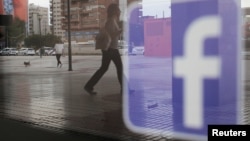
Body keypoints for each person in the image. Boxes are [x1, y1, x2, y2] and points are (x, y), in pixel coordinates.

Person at [84, 3, 123, 95]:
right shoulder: (111, 21)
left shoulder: (112, 20)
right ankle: (124, 88)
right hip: (111, 49)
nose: (120, 11)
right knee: (119, 68)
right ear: (114, 11)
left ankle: (89, 86)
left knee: (104, 68)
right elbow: (110, 36)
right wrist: (120, 31)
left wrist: (118, 31)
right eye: (118, 9)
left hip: (109, 49)